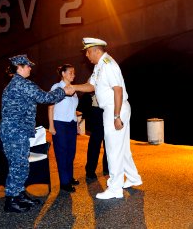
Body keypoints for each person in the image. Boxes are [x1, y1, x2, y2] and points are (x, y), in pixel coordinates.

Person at [0, 54, 75, 213]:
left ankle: (19, 195)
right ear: (19, 67)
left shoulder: (14, 84)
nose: (30, 68)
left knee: (21, 165)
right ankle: (11, 201)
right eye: (27, 66)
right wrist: (63, 91)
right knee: (18, 166)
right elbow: (45, 97)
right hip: (15, 133)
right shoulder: (22, 84)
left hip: (15, 131)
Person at [73, 38, 142, 200]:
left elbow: (117, 90)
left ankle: (115, 188)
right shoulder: (99, 66)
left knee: (112, 150)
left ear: (96, 50)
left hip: (114, 109)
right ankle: (133, 177)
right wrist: (74, 87)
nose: (87, 56)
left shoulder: (108, 64)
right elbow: (91, 86)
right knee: (122, 148)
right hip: (114, 108)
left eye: (88, 52)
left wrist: (116, 116)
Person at [48, 64, 79, 193]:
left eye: (74, 73)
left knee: (71, 152)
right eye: (70, 72)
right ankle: (64, 183)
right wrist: (51, 125)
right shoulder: (57, 87)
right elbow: (50, 106)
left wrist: (76, 123)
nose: (73, 75)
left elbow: (73, 108)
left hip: (71, 123)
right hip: (59, 124)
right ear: (63, 74)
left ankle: (69, 177)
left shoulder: (73, 89)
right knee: (61, 153)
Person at [78, 92, 108, 180]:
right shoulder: (95, 77)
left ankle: (107, 168)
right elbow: (88, 88)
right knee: (95, 143)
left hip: (109, 110)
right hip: (97, 111)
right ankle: (90, 170)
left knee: (109, 142)